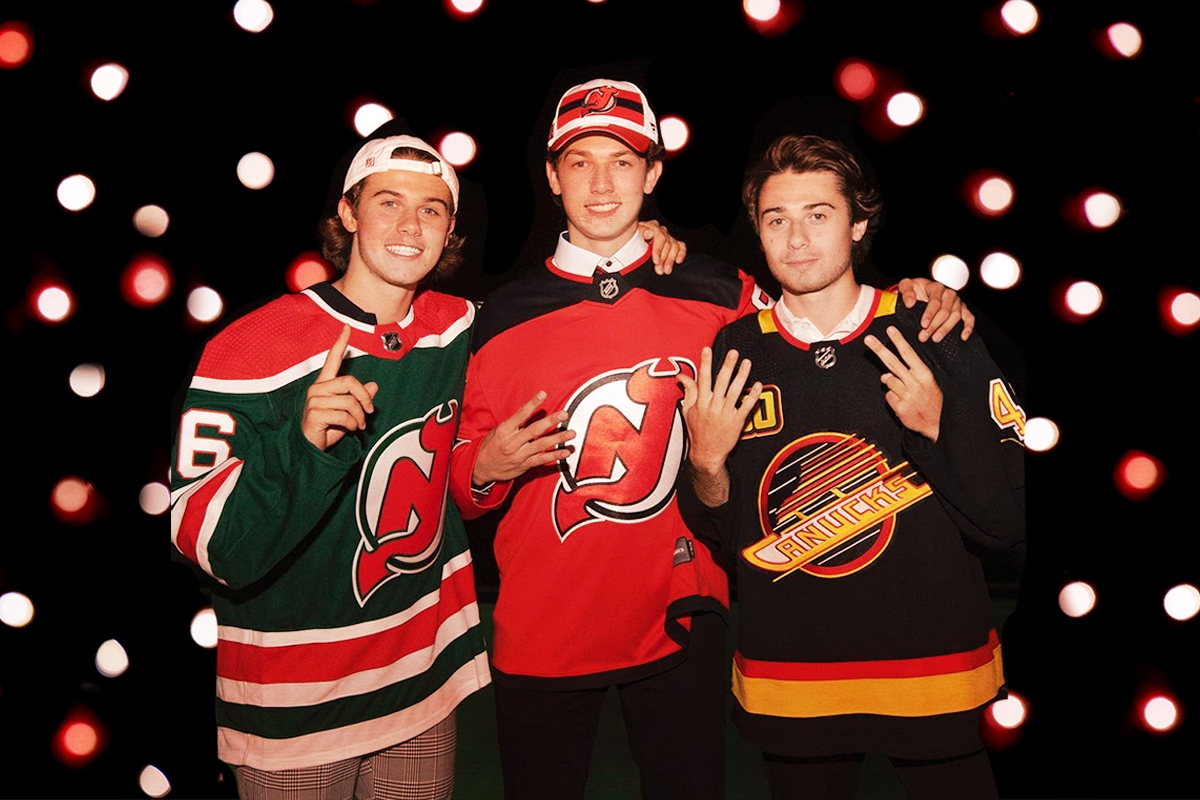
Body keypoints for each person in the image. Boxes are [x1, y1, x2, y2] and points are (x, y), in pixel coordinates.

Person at [448, 79, 973, 800]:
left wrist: (917, 296)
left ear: (654, 173)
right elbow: (460, 494)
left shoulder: (719, 292)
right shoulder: (497, 318)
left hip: (682, 620)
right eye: (579, 163)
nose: (602, 184)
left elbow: (822, 316)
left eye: (623, 162)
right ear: (550, 175)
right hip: (543, 628)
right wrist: (485, 465)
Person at [677, 133, 1026, 799]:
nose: (797, 239)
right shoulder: (734, 350)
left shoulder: (930, 328)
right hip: (794, 685)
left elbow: (1004, 523)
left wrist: (939, 430)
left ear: (859, 223)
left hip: (936, 678)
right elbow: (728, 539)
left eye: (819, 214)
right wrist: (707, 465)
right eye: (777, 219)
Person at [169, 133, 492, 800]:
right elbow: (209, 545)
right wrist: (303, 444)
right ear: (347, 212)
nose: (410, 226)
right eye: (388, 202)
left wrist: (655, 249)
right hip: (294, 707)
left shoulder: (461, 327)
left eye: (432, 209)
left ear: (450, 228)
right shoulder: (251, 348)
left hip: (422, 682)